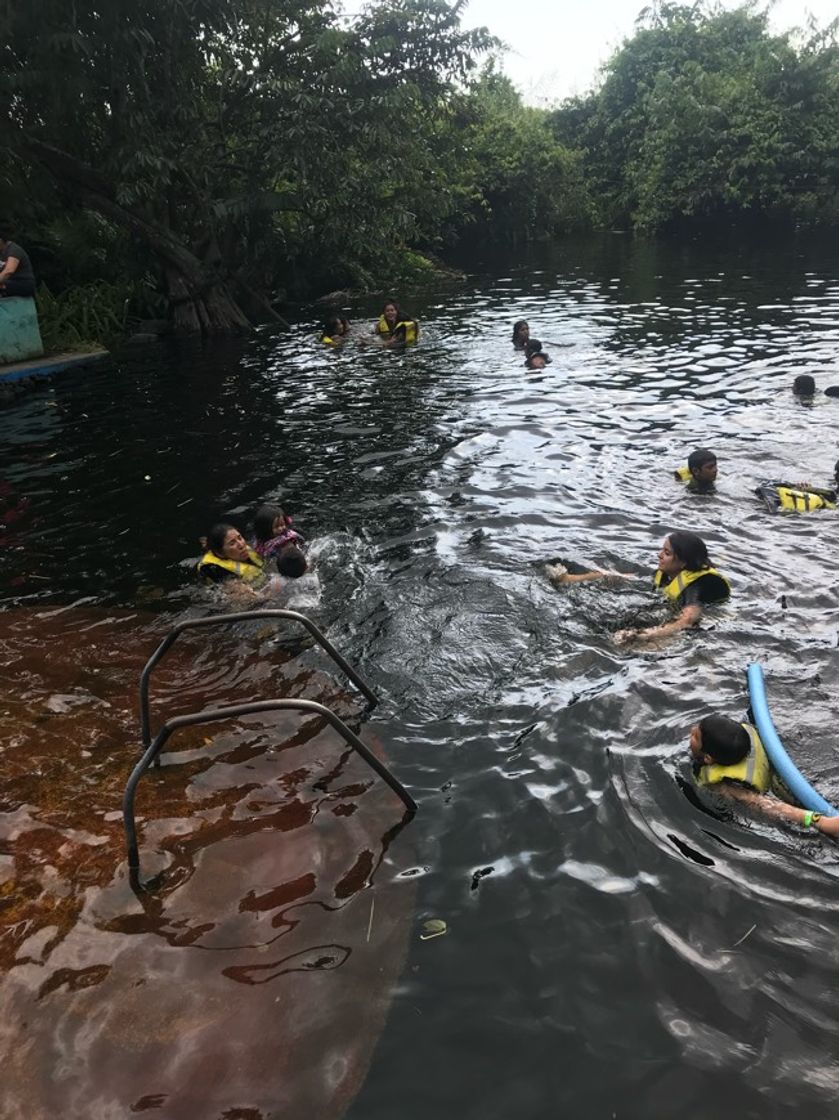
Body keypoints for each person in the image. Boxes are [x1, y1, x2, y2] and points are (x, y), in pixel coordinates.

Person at [546, 531, 730, 644]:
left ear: (683, 562)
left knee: (635, 644)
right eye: (662, 550)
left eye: (666, 553)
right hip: (670, 609)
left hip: (703, 626)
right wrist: (579, 578)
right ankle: (568, 580)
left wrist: (644, 635)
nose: (659, 555)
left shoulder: (696, 585)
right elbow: (625, 578)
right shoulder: (669, 573)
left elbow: (687, 621)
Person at [689, 713, 839, 836]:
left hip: (773, 799)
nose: (691, 730)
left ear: (708, 758)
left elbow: (768, 806)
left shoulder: (725, 786)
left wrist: (820, 822)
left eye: (695, 736)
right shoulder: (742, 739)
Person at [197, 523, 265, 584]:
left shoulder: (249, 548)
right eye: (232, 543)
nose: (241, 545)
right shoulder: (220, 572)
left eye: (239, 538)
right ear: (220, 553)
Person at [252, 504, 308, 577]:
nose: (281, 528)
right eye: (276, 526)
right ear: (265, 529)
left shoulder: (287, 541)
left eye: (282, 524)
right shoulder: (261, 542)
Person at [0, 232, 36, 298]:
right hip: (8, 282)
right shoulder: (1, 252)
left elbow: (9, 271)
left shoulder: (14, 250)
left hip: (23, 283)